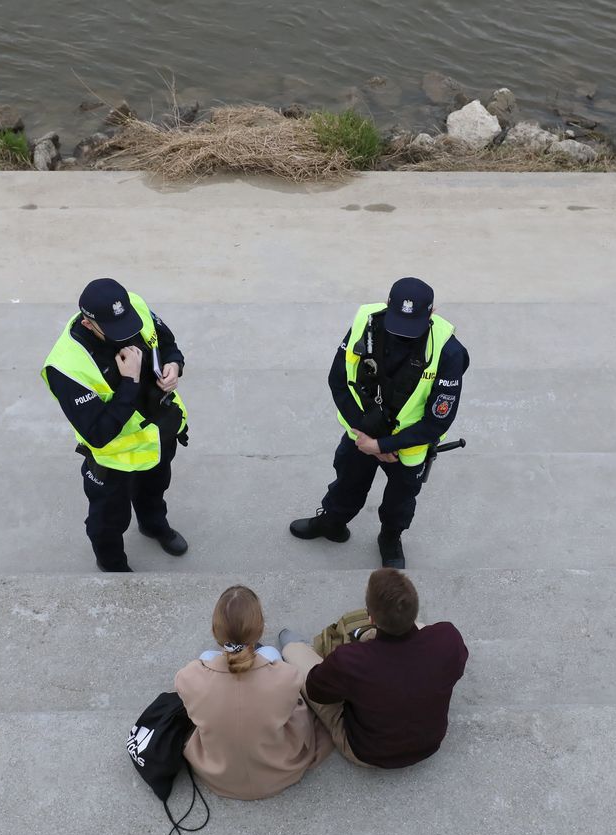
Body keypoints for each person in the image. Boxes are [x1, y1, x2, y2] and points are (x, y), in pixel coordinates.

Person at [289, 277, 469, 568]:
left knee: (400, 501)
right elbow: (338, 380)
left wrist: (384, 445)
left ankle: (389, 538)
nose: (405, 335)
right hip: (362, 432)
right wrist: (366, 437)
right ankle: (333, 523)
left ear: (432, 312)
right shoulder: (365, 322)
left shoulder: (448, 352)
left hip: (407, 448)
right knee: (347, 481)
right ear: (387, 305)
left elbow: (438, 421)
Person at [42, 278, 190, 573]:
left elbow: (167, 344)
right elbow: (98, 434)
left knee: (154, 490)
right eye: (114, 330)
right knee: (107, 521)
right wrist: (129, 381)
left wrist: (174, 365)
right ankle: (113, 566)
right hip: (113, 461)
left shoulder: (134, 307)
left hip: (159, 435)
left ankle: (153, 526)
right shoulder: (67, 367)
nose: (126, 335)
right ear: (87, 323)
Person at [279, 568, 468, 769]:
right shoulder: (448, 637)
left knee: (294, 652)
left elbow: (317, 691)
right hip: (429, 742)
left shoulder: (349, 660)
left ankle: (295, 645)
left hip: (367, 750)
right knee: (421, 629)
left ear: (371, 618)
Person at [174, 586, 333, 800]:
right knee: (270, 653)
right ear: (260, 630)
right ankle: (257, 651)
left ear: (214, 632)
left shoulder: (188, 677)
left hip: (218, 773)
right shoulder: (287, 677)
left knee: (206, 655)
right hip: (279, 768)